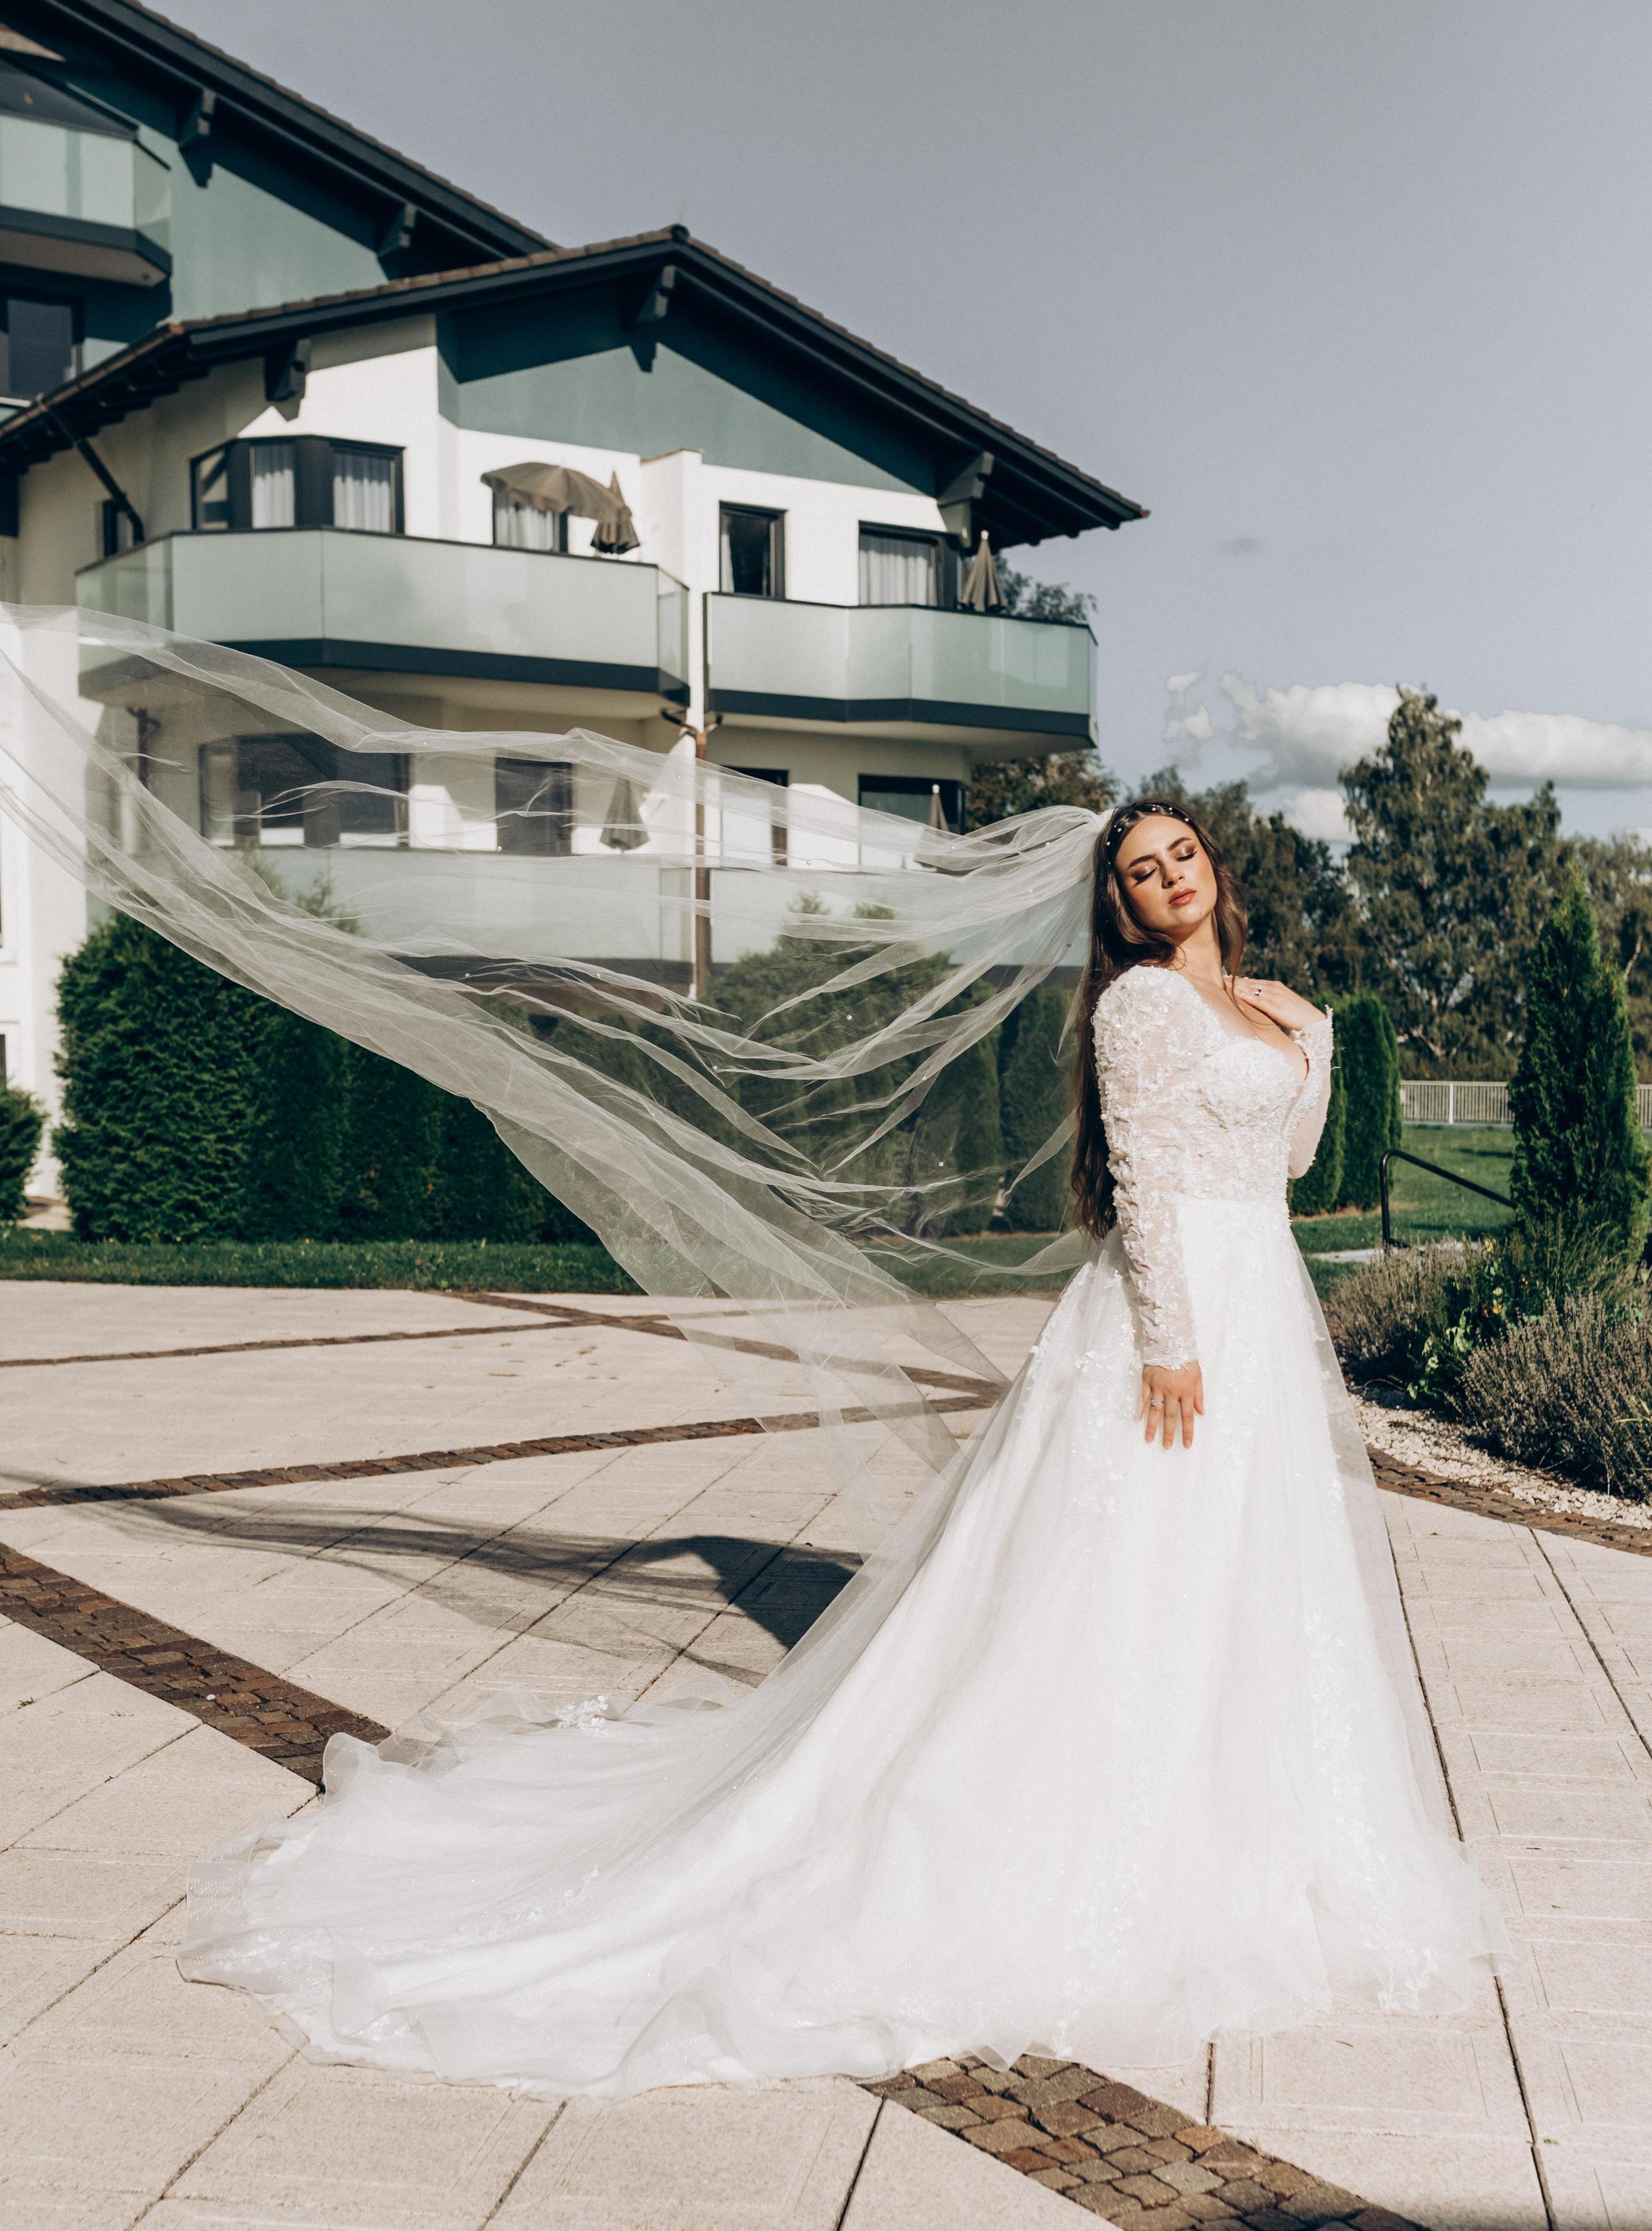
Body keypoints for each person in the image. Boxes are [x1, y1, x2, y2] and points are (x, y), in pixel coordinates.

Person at [178, 792, 1502, 2097]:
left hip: (1261, 1305)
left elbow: (1285, 1164)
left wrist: (1311, 1043)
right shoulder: (1138, 1005)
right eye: (1142, 868)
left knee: (1249, 1574)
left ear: (1215, 866)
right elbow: (1145, 1177)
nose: (1168, 876)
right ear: (1118, 904)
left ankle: (1246, 1822)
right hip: (1183, 1318)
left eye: (1181, 853)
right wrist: (1165, 1337)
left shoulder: (1251, 1000)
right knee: (1128, 1570)